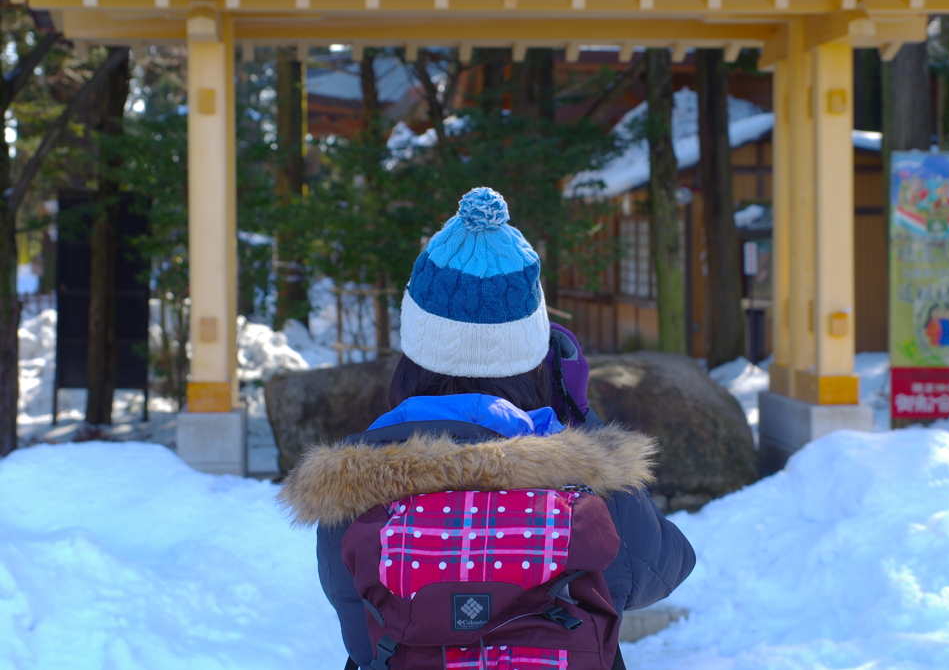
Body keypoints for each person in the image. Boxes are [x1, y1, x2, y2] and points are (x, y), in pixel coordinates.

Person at [281, 187, 695, 670]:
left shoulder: (349, 491)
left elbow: (356, 619)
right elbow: (665, 568)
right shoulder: (583, 488)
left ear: (413, 348)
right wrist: (581, 420)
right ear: (536, 352)